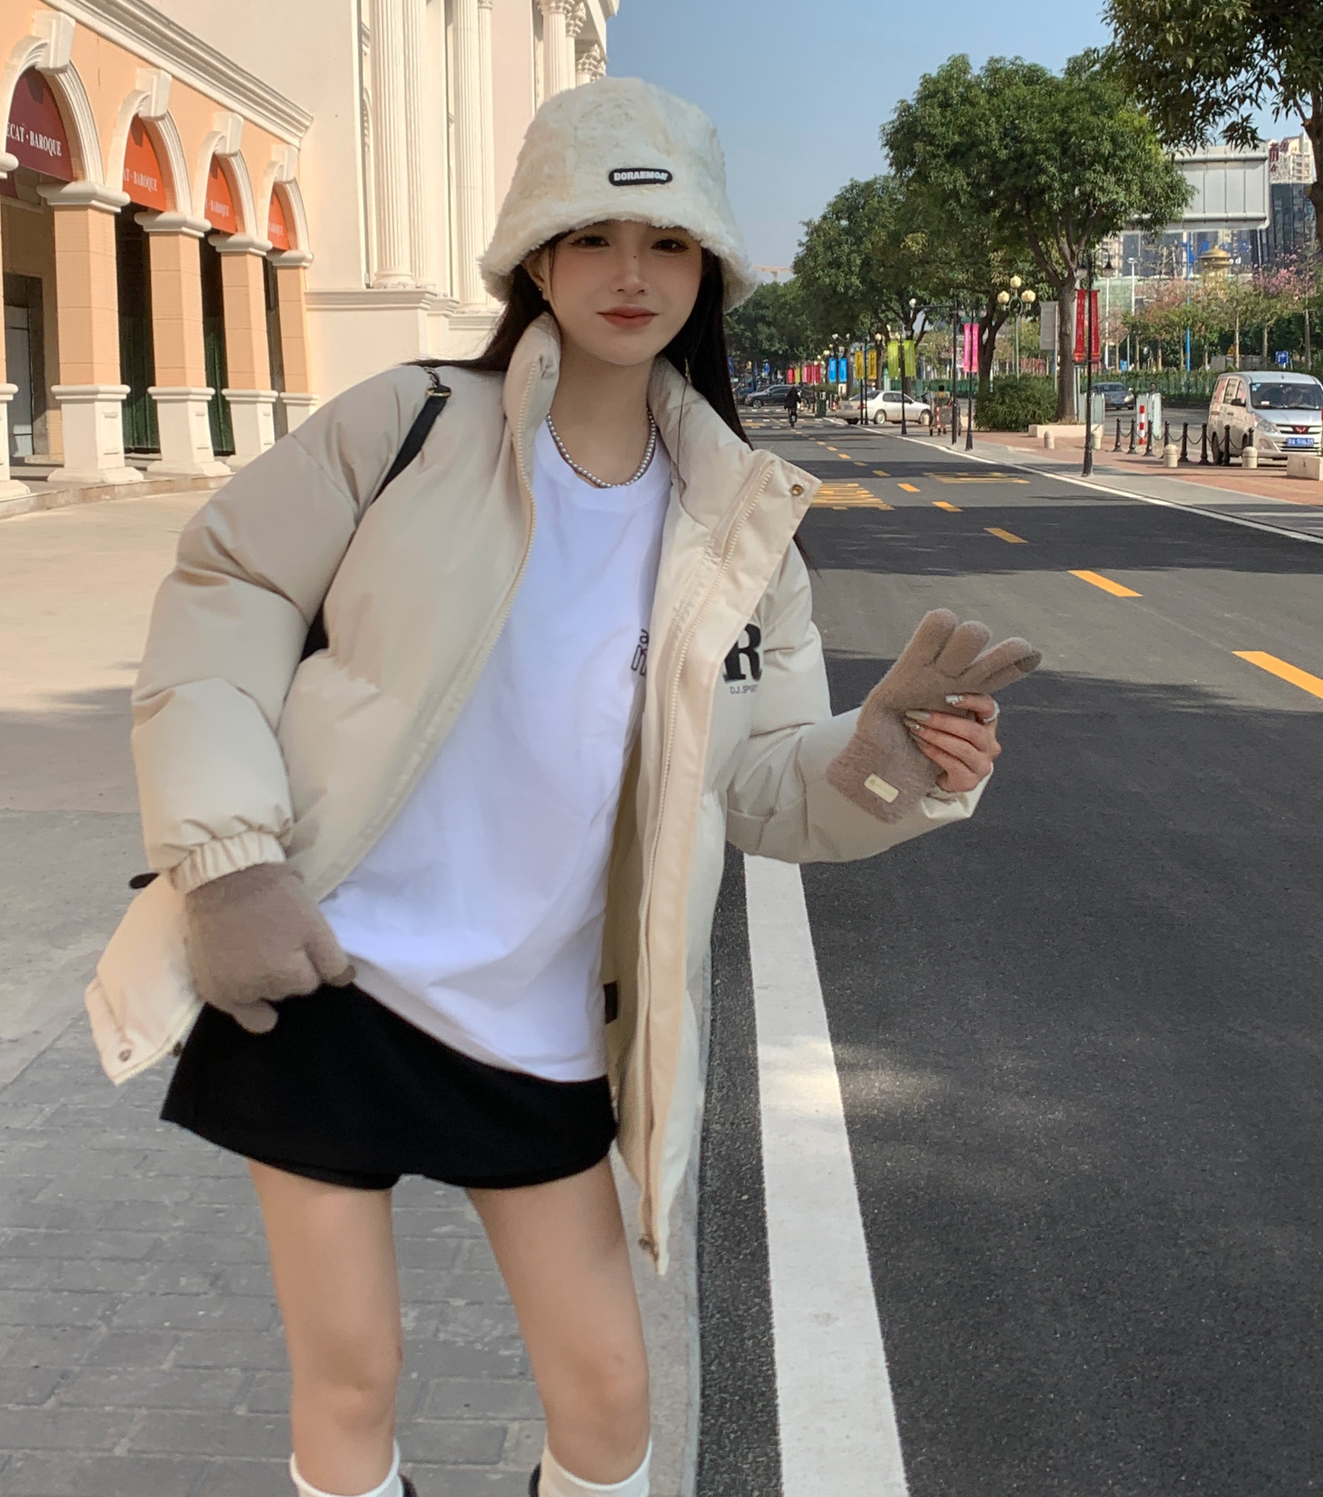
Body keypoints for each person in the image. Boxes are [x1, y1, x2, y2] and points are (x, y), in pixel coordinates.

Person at [105, 78, 1038, 1497]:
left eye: (667, 244)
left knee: (608, 1403)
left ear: (709, 271)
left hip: (550, 1025)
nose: (629, 272)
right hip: (329, 974)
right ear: (535, 257)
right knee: (350, 1380)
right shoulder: (408, 426)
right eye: (592, 234)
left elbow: (757, 784)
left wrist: (879, 763)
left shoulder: (742, 522)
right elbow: (221, 597)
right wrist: (227, 861)